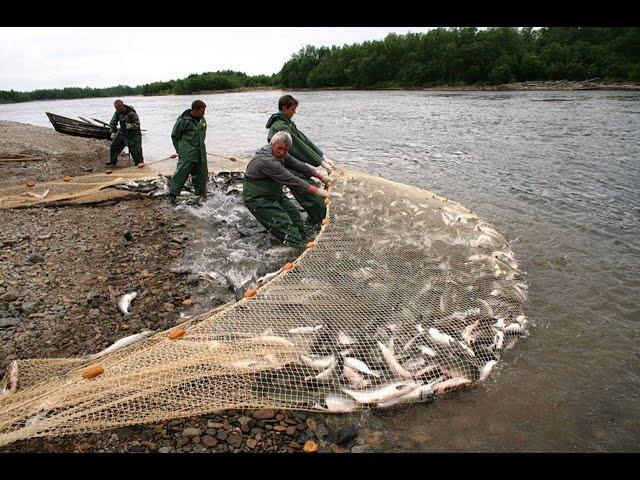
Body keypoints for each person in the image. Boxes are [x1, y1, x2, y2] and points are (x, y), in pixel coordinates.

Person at [243, 131, 332, 248]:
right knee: (283, 224)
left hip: (274, 193)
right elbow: (293, 181)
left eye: (285, 150)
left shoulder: (282, 153)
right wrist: (322, 192)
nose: (282, 152)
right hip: (257, 198)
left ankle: (304, 240)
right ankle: (300, 247)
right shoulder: (267, 161)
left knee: (295, 216)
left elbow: (299, 166)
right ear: (271, 145)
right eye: (279, 148)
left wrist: (321, 177)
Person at [265, 95, 336, 224]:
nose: (294, 112)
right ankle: (321, 220)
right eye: (292, 109)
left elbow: (304, 140)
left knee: (310, 186)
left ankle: (318, 217)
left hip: (291, 162)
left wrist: (322, 156)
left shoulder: (288, 123)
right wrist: (320, 163)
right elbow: (299, 146)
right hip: (284, 165)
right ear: (284, 109)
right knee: (307, 191)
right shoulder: (280, 126)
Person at [168, 100, 208, 205]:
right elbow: (175, 136)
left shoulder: (202, 120)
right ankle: (172, 195)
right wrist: (180, 150)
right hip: (187, 153)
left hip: (200, 152)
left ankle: (201, 196)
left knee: (202, 175)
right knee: (181, 174)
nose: (204, 113)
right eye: (202, 111)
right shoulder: (183, 120)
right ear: (195, 110)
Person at [107, 99, 144, 166]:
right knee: (114, 146)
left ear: (122, 106)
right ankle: (112, 162)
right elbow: (113, 122)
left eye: (119, 108)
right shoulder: (117, 112)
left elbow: (137, 124)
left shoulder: (132, 113)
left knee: (136, 151)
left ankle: (139, 163)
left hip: (134, 134)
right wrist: (113, 131)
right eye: (116, 109)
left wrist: (131, 126)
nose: (118, 111)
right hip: (122, 133)